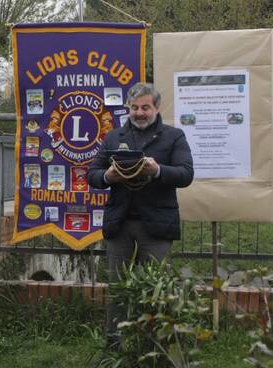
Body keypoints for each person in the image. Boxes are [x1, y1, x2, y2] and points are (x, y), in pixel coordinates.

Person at [87, 82, 194, 347]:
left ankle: (153, 348)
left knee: (156, 289)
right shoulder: (114, 137)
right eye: (134, 108)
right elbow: (92, 175)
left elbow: (185, 174)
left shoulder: (174, 136)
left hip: (156, 227)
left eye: (145, 107)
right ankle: (115, 347)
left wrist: (158, 170)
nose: (139, 113)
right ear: (128, 109)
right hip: (120, 225)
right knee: (118, 288)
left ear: (156, 108)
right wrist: (107, 176)